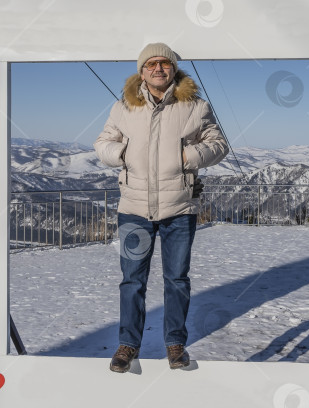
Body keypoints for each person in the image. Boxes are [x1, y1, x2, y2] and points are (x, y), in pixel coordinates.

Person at [94, 42, 229, 372]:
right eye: (151, 64)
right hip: (134, 209)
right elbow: (102, 143)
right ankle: (128, 345)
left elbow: (220, 144)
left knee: (177, 280)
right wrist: (121, 154)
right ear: (141, 71)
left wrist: (189, 156)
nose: (158, 69)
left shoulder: (195, 106)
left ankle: (174, 344)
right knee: (132, 282)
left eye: (164, 64)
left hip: (179, 209)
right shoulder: (124, 106)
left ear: (174, 69)